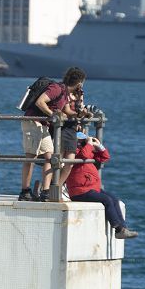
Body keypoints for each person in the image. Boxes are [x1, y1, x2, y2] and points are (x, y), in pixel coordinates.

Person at [20, 67, 86, 202]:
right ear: (79, 83)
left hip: (42, 125)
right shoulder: (57, 89)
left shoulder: (65, 93)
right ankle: (25, 191)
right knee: (31, 157)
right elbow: (40, 102)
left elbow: (67, 111)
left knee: (50, 157)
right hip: (34, 122)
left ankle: (45, 191)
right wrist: (53, 115)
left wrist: (80, 113)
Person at [67, 131, 138, 239]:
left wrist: (99, 146)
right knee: (107, 200)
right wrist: (89, 144)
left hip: (90, 188)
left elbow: (105, 157)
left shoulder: (85, 150)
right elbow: (85, 155)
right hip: (80, 191)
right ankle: (118, 229)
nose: (83, 142)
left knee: (114, 199)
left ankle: (123, 228)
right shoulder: (73, 152)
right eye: (81, 141)